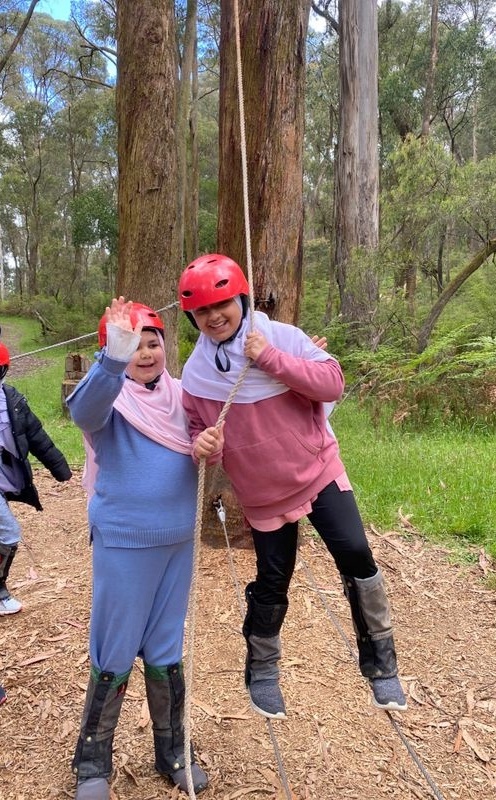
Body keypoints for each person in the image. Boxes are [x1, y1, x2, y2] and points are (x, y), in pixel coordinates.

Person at [178, 253, 407, 720]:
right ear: (191, 317)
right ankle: (262, 668)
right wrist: (204, 444)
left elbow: (332, 383)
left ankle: (380, 662)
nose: (214, 316)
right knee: (273, 578)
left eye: (222, 303)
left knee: (357, 556)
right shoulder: (196, 377)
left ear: (241, 298)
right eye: (201, 310)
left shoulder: (280, 336)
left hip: (318, 470)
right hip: (263, 493)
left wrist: (270, 358)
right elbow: (203, 442)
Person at [66, 299, 208, 800]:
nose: (146, 353)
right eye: (133, 345)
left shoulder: (186, 396)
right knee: (115, 646)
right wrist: (112, 357)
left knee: (167, 648)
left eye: (153, 342)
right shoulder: (109, 400)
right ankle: (91, 763)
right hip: (124, 541)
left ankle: (174, 751)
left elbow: (233, 420)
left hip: (177, 542)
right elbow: (81, 410)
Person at [0, 341, 72, 616]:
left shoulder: (13, 402)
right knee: (8, 532)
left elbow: (37, 438)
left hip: (7, 477)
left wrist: (61, 470)